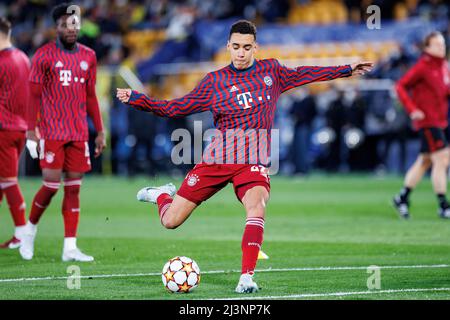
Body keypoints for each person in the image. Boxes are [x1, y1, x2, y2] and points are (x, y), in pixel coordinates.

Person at [117, 20, 373, 293]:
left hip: (251, 162)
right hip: (217, 160)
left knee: (257, 206)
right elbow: (174, 108)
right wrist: (138, 99)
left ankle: (246, 278)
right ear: (228, 46)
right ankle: (161, 196)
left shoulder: (271, 71)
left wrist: (346, 69)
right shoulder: (214, 82)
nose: (240, 53)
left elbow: (306, 73)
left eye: (246, 47)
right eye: (236, 47)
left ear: (255, 48)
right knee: (170, 221)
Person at [20, 3, 106, 261]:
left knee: (73, 188)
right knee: (50, 185)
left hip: (79, 132)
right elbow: (33, 96)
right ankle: (29, 231)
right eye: (65, 24)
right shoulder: (43, 55)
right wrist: (30, 131)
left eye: (75, 24)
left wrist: (100, 131)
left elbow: (91, 96)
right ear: (55, 27)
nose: (71, 29)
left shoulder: (89, 56)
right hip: (51, 131)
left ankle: (70, 247)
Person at [393, 31, 450, 219]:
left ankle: (402, 197)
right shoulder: (423, 67)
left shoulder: (444, 67)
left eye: (443, 44)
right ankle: (443, 205)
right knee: (442, 159)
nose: (442, 48)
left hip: (440, 120)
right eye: (437, 45)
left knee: (425, 161)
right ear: (427, 48)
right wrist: (412, 109)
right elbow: (400, 86)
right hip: (428, 121)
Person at [0, 17, 30, 249]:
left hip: (4, 128)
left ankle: (21, 233)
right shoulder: (23, 58)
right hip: (20, 127)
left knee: (8, 181)